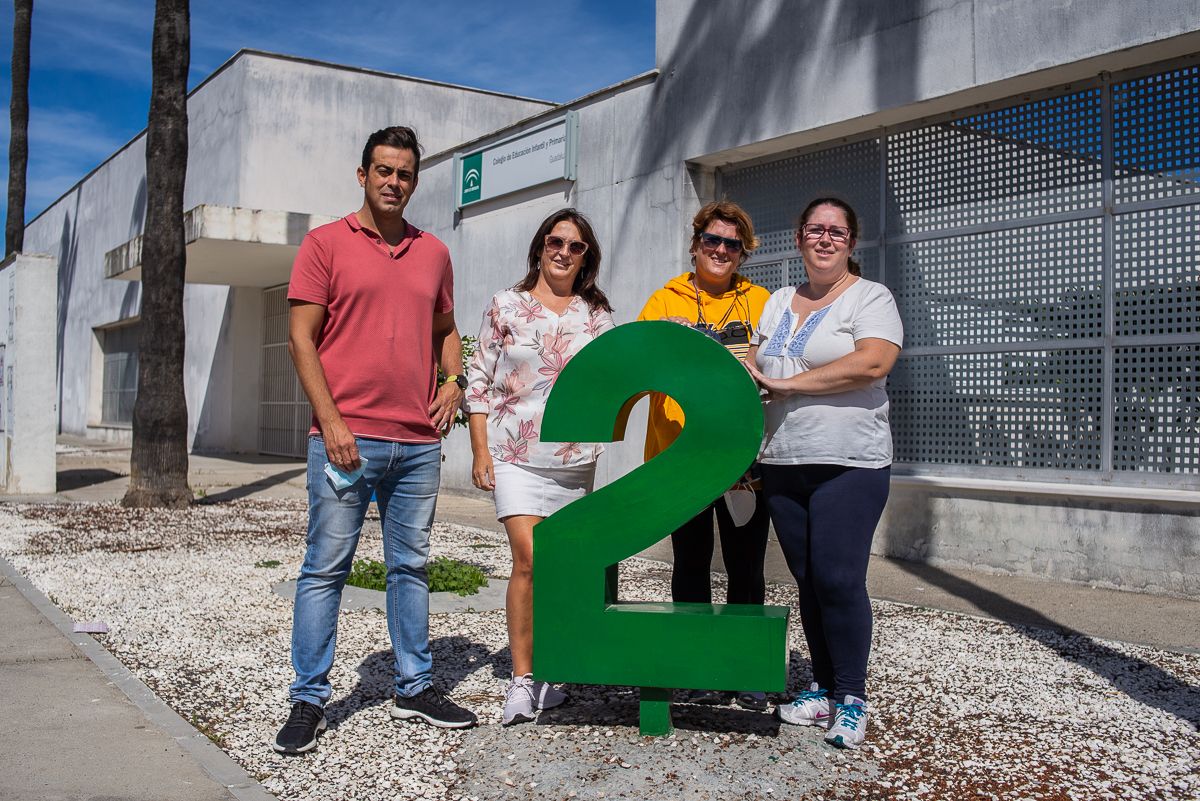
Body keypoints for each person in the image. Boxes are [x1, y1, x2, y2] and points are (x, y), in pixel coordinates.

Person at [274, 126, 477, 755]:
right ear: (362, 175)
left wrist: (454, 378)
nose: (394, 182)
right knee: (325, 569)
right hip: (347, 440)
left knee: (410, 568)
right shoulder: (325, 244)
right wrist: (330, 422)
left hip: (417, 444)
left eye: (406, 174)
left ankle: (413, 687)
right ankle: (309, 699)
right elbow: (300, 339)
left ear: (416, 182)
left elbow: (445, 326)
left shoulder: (434, 253)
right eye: (384, 170)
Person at [744, 197, 903, 750]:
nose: (825, 238)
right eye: (816, 229)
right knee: (809, 580)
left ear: (851, 242)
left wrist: (788, 385)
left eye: (837, 231)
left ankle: (852, 697)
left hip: (849, 462)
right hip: (785, 459)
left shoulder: (870, 297)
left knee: (839, 579)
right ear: (800, 237)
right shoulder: (780, 301)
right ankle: (821, 687)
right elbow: (760, 367)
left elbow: (874, 362)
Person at [466, 208, 615, 725]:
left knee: (558, 568)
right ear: (539, 246)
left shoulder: (596, 315)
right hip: (513, 453)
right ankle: (522, 680)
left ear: (586, 258)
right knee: (528, 559)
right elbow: (478, 380)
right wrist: (479, 450)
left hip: (575, 460)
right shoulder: (505, 306)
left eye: (576, 247)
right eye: (556, 241)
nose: (564, 252)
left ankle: (552, 670)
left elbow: (610, 383)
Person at [637, 200, 772, 710]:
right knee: (690, 565)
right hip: (680, 459)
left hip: (742, 459)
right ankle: (693, 664)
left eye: (731, 244)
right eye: (712, 240)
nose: (720, 250)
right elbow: (641, 365)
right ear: (696, 244)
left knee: (746, 565)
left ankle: (745, 670)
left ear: (743, 252)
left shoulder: (761, 301)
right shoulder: (663, 299)